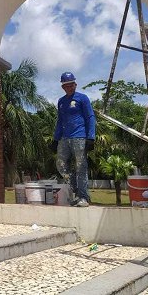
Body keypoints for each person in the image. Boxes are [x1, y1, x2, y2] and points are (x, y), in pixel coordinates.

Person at [53, 72, 96, 207]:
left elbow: (90, 117)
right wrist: (55, 139)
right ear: (63, 87)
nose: (69, 87)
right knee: (60, 165)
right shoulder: (61, 101)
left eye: (71, 85)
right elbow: (60, 121)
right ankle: (76, 190)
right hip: (65, 138)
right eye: (66, 85)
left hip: (80, 137)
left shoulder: (82, 98)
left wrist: (91, 137)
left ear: (75, 84)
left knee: (80, 167)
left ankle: (83, 197)